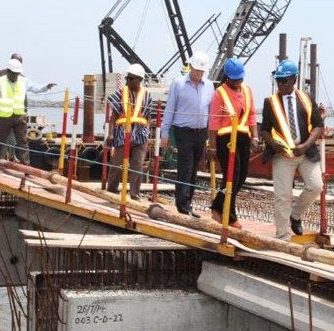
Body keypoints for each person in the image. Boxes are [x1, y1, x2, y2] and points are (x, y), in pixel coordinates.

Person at [260, 60, 324, 239]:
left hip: (305, 153)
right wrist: (274, 145)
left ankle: (295, 215)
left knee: (316, 186)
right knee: (282, 196)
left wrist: (305, 145)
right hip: (282, 155)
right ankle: (281, 236)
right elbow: (264, 130)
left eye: (284, 81)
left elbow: (319, 126)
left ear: (294, 80)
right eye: (278, 80)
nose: (280, 84)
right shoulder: (270, 102)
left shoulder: (306, 98)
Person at [207, 57, 259, 228]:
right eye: (235, 79)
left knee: (241, 176)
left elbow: (251, 115)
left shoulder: (247, 91)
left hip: (243, 137)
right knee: (231, 176)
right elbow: (213, 123)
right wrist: (213, 146)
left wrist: (255, 136)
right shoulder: (219, 94)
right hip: (225, 139)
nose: (239, 82)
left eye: (241, 78)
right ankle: (230, 215)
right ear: (227, 77)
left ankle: (217, 205)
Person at [160, 51, 214, 217]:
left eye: (202, 71)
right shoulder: (178, 84)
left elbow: (211, 111)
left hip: (201, 132)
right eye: (197, 70)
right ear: (190, 67)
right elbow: (170, 109)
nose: (199, 74)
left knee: (194, 169)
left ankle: (188, 201)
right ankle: (183, 205)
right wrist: (165, 133)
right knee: (185, 166)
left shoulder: (210, 85)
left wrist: (212, 137)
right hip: (183, 131)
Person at [0, 58, 55, 173]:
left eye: (17, 74)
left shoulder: (24, 81)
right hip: (4, 118)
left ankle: (26, 169)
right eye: (13, 74)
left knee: (23, 143)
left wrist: (46, 87)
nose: (15, 76)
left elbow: (36, 88)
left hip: (19, 117)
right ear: (8, 71)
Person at [105, 64, 154, 200]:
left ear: (139, 79)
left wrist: (147, 132)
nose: (128, 81)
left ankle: (134, 194)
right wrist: (110, 133)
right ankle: (112, 189)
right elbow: (113, 116)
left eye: (131, 78)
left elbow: (149, 116)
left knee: (137, 164)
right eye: (127, 78)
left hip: (140, 135)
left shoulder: (147, 96)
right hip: (122, 134)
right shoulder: (120, 94)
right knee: (117, 163)